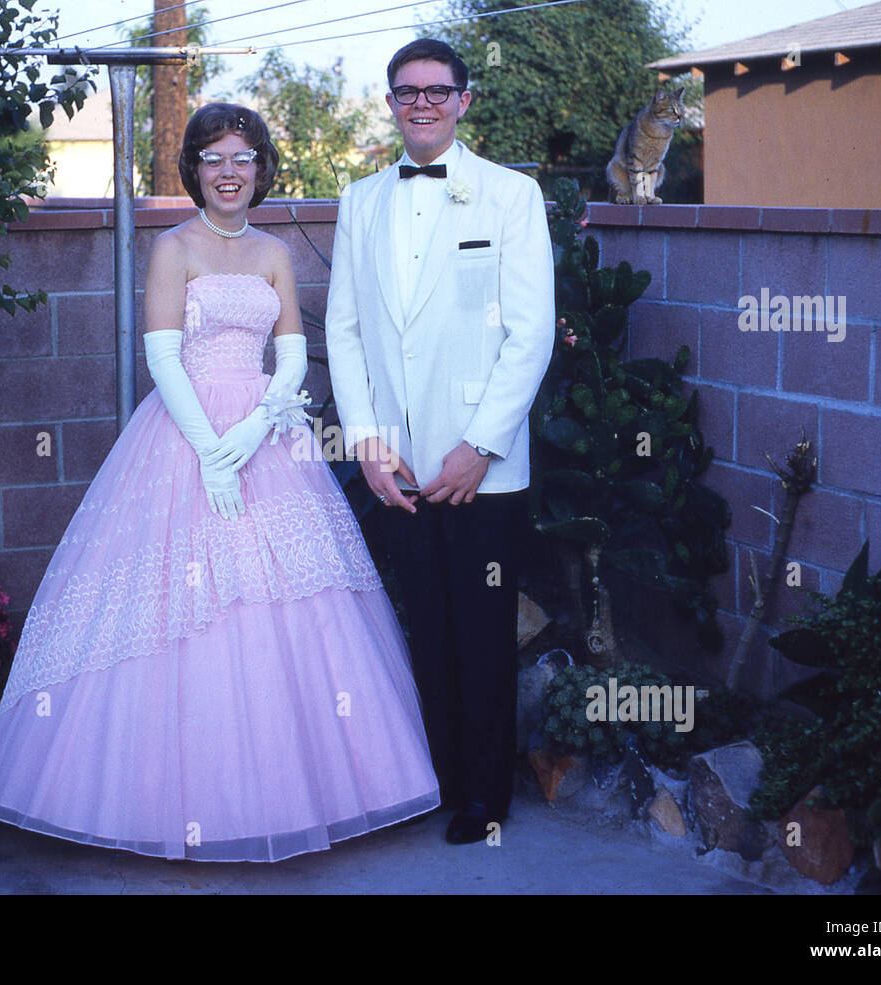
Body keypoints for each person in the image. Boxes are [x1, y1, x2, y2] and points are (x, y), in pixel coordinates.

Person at [0, 103, 440, 862]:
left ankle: (303, 792)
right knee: (178, 605)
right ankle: (167, 800)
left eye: (243, 157)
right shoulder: (173, 248)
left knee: (295, 600)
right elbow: (160, 356)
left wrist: (256, 428)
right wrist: (213, 451)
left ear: (260, 168)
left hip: (268, 434)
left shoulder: (276, 252)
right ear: (194, 168)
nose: (228, 171)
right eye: (214, 157)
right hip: (184, 435)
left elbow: (289, 356)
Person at [325, 39, 555, 844]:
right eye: (405, 92)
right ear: (390, 103)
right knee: (424, 628)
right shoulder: (358, 200)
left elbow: (528, 336)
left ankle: (487, 796)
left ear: (464, 99)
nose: (420, 103)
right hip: (399, 465)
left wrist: (480, 444)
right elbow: (345, 331)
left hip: (481, 466)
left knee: (485, 635)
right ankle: (440, 777)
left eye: (436, 91)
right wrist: (369, 446)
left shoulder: (512, 196)